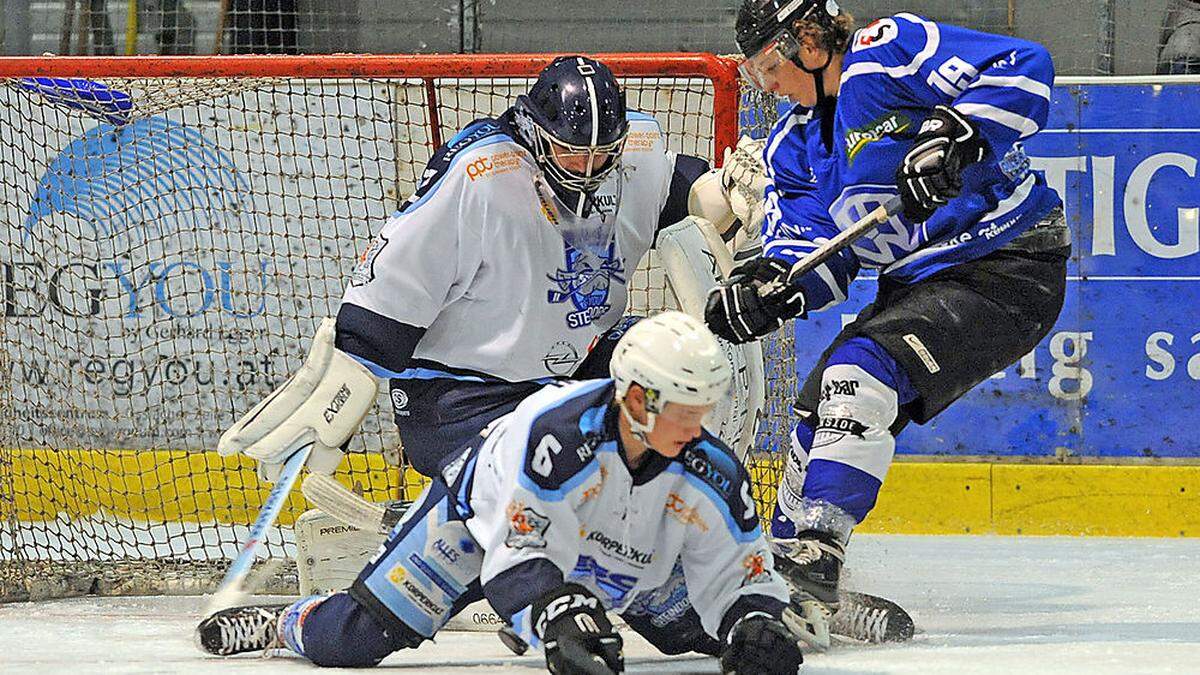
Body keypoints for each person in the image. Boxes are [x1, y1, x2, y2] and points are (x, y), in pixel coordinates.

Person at [216, 54, 765, 485]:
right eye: (572, 152)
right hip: (457, 397)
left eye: (603, 154)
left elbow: (677, 191)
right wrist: (342, 396)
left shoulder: (630, 157)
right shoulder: (478, 175)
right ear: (533, 131)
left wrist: (727, 190)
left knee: (673, 373)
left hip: (567, 372)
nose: (589, 168)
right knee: (558, 471)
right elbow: (390, 290)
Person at [706, 0, 1070, 616]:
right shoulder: (791, 150)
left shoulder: (886, 50)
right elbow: (817, 258)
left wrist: (955, 134)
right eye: (754, 72)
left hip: (1007, 264)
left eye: (770, 63)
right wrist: (772, 287)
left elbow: (1024, 64)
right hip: (921, 284)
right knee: (814, 406)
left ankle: (817, 557)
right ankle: (783, 560)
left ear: (810, 40)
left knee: (860, 373)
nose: (766, 83)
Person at [197, 312, 805, 674]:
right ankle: (288, 625)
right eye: (685, 410)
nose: (699, 428)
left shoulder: (710, 464)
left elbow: (737, 569)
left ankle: (810, 611)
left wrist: (759, 615)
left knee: (702, 634)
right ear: (638, 398)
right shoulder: (554, 436)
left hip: (610, 549)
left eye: (705, 409)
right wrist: (556, 615)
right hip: (474, 526)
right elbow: (515, 559)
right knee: (349, 642)